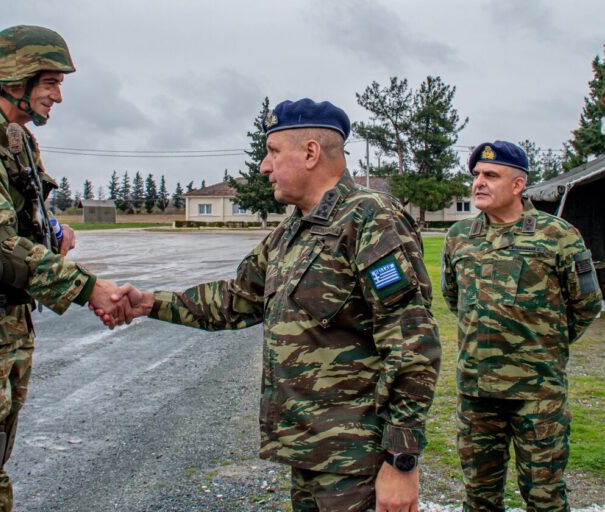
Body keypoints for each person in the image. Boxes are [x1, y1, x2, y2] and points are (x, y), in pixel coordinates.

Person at [100, 98, 442, 512]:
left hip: (358, 460)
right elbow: (235, 300)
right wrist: (149, 303)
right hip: (309, 452)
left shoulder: (371, 219)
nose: (264, 166)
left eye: (274, 152)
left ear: (311, 153)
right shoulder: (292, 230)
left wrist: (399, 461)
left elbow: (412, 346)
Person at [0, 25, 129, 512]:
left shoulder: (14, 142)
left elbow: (24, 219)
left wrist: (54, 233)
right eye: (51, 82)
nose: (58, 96)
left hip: (4, 323)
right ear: (16, 80)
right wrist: (89, 289)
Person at [441, 141, 602, 511]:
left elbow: (587, 304)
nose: (478, 183)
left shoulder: (558, 235)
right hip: (477, 393)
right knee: (480, 498)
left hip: (537, 393)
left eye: (491, 175)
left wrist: (545, 345)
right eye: (477, 175)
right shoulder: (460, 237)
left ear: (518, 185)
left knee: (544, 498)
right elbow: (455, 300)